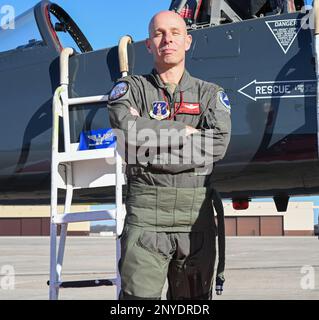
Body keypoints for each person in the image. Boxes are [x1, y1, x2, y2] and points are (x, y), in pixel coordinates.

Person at [107, 10, 231, 300]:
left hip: (195, 227)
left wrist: (147, 152)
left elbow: (218, 144)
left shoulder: (210, 94)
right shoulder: (131, 90)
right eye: (159, 33)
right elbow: (126, 132)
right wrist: (184, 132)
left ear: (188, 41)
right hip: (146, 223)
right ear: (148, 44)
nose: (167, 39)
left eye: (175, 32)